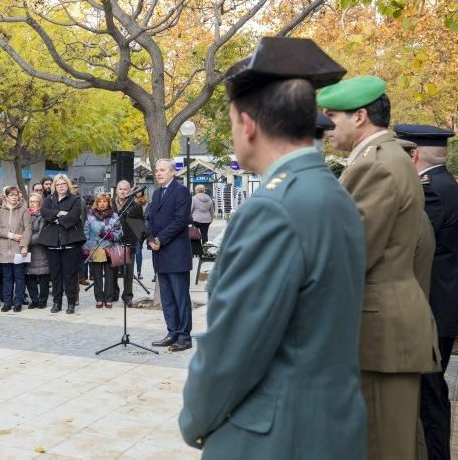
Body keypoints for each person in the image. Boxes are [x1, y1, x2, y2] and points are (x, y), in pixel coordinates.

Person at [180, 37, 367, 458]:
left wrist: (194, 420)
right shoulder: (333, 193)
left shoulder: (273, 208)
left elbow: (234, 348)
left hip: (276, 437)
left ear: (247, 125)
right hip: (331, 427)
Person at [319, 75, 440, 459]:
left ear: (359, 117)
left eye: (331, 116)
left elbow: (350, 254)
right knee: (401, 442)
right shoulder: (389, 158)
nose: (325, 127)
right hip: (388, 332)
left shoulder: (377, 165)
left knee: (385, 447)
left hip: (380, 335)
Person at [394, 124, 458, 460]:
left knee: (429, 394)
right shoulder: (447, 185)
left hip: (433, 308)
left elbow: (412, 242)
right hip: (441, 307)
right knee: (430, 392)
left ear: (414, 155)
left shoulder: (432, 190)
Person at [146, 158, 193, 352]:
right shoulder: (156, 193)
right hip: (160, 254)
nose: (158, 173)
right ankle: (172, 332)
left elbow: (180, 220)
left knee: (180, 296)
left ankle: (184, 336)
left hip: (175, 252)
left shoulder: (181, 191)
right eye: (156, 170)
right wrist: (150, 238)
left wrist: (160, 239)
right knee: (166, 298)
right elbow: (149, 218)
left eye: (163, 170)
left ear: (173, 172)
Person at [39, 173, 85, 314]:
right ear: (54, 186)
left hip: (70, 242)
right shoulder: (49, 199)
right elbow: (44, 212)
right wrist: (59, 214)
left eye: (63, 184)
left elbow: (74, 216)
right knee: (55, 275)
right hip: (52, 243)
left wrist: (54, 218)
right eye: (58, 184)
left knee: (70, 275)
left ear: (68, 185)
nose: (61, 186)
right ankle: (56, 302)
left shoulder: (76, 199)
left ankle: (71, 302)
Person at [0, 186, 31, 312]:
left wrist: (24, 246)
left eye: (16, 195)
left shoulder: (24, 210)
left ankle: (18, 302)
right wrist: (11, 235)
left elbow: (28, 228)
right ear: (7, 197)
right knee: (7, 277)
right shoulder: (1, 211)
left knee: (19, 277)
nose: (14, 197)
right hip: (4, 249)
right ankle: (7, 302)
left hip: (18, 249)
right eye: (11, 195)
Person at [84, 193, 122, 309]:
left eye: (104, 201)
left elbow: (120, 232)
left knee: (110, 275)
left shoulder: (114, 215)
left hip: (110, 248)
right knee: (97, 275)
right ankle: (99, 298)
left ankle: (109, 298)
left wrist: (112, 235)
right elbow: (86, 233)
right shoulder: (90, 216)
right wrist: (86, 248)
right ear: (96, 203)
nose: (102, 204)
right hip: (95, 248)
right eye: (100, 201)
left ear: (108, 203)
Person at [113, 180, 144, 307]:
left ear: (130, 191)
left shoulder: (135, 205)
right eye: (120, 189)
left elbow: (140, 226)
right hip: (113, 241)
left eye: (125, 189)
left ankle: (127, 296)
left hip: (129, 241)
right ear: (116, 190)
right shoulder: (110, 203)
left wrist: (138, 241)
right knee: (113, 270)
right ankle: (113, 293)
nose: (123, 191)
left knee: (128, 272)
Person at [26, 193, 50, 309]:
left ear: (40, 203)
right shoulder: (25, 215)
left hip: (40, 251)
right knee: (29, 277)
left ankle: (43, 300)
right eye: (30, 201)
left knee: (43, 277)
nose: (32, 204)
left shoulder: (43, 216)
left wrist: (24, 240)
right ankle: (34, 300)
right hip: (27, 252)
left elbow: (41, 234)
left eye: (35, 201)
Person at [133, 190, 148, 280]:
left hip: (141, 228)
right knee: (131, 252)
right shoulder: (131, 202)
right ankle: (129, 271)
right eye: (136, 191)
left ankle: (139, 272)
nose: (138, 193)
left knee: (138, 251)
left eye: (140, 191)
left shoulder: (146, 203)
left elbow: (147, 217)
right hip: (131, 227)